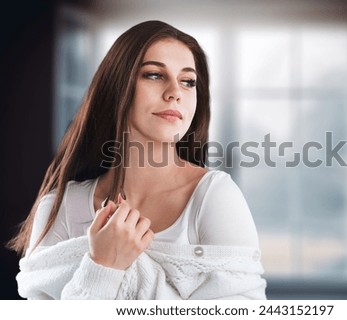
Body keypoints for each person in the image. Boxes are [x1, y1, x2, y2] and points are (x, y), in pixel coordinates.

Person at [9, 20, 266, 300]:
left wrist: (110, 271)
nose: (174, 93)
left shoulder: (214, 198)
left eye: (188, 81)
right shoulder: (60, 209)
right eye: (155, 75)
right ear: (118, 86)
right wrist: (103, 266)